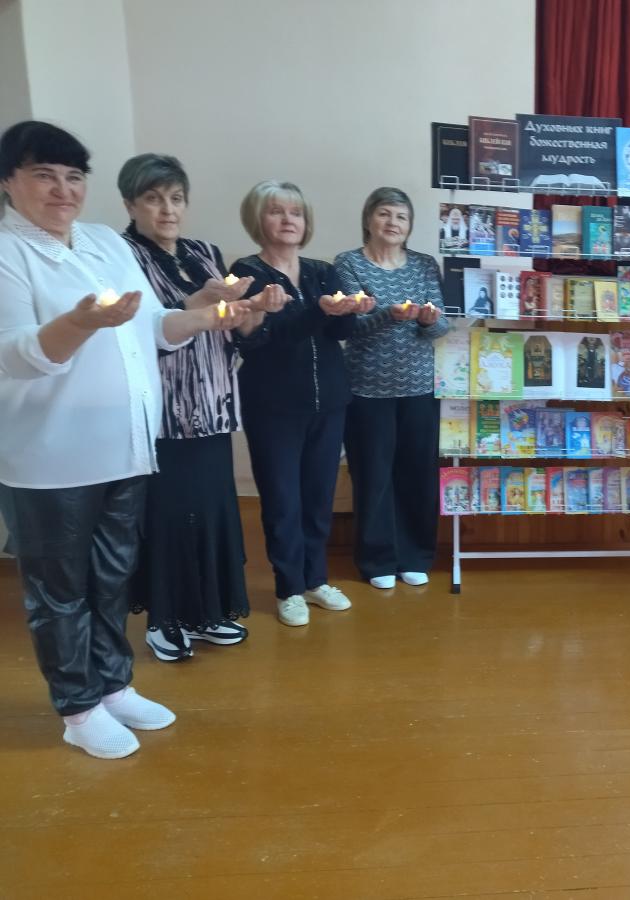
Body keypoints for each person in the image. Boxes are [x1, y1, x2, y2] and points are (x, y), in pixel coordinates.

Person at [0, 121, 245, 758]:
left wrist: (212, 316)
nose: (63, 190)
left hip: (127, 445)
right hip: (51, 458)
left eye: (73, 177)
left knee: (111, 578)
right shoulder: (7, 252)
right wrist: (79, 324)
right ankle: (78, 708)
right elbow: (15, 354)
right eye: (44, 176)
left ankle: (113, 686)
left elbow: (153, 327)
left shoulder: (105, 241)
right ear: (9, 182)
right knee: (60, 591)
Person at [118, 153, 287, 661]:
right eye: (153, 199)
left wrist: (254, 312)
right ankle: (165, 621)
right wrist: (200, 302)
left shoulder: (204, 252)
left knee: (213, 513)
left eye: (176, 198)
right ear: (130, 204)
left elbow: (238, 336)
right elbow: (139, 332)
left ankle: (209, 612)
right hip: (163, 412)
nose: (167, 209)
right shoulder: (122, 256)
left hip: (213, 404)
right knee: (169, 517)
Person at [230, 181, 373, 627]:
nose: (288, 219)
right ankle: (289, 586)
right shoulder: (244, 272)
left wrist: (351, 312)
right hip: (273, 406)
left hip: (329, 401)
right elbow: (257, 340)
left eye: (295, 212)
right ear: (258, 219)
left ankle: (315, 579)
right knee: (282, 500)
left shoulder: (321, 270)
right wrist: (320, 312)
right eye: (276, 211)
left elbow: (340, 335)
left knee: (318, 497)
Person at [335, 188, 448, 590]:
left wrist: (427, 320)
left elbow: (441, 326)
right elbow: (348, 327)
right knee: (373, 475)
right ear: (368, 219)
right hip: (366, 389)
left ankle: (415, 555)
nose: (393, 223)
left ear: (410, 225)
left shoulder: (424, 264)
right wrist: (390, 315)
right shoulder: (348, 263)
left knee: (417, 474)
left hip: (419, 386)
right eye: (384, 214)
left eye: (401, 217)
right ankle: (377, 559)